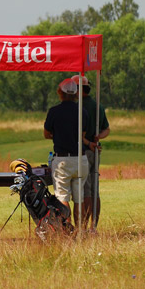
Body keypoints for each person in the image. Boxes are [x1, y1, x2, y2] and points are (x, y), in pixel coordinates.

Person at [43, 78, 89, 228]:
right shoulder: (83, 111)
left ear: (60, 93)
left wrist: (56, 135)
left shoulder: (54, 111)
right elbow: (82, 134)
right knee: (79, 198)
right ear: (75, 93)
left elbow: (46, 133)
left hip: (63, 159)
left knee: (62, 197)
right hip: (80, 159)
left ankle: (66, 230)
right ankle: (81, 231)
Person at [72, 75, 110, 230]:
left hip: (85, 152)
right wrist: (98, 138)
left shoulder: (79, 107)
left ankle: (85, 228)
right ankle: (94, 226)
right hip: (96, 152)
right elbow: (106, 129)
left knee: (86, 191)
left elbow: (78, 135)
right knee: (95, 191)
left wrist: (89, 143)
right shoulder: (98, 106)